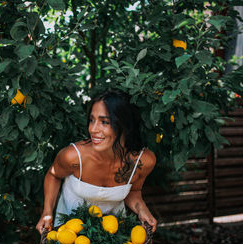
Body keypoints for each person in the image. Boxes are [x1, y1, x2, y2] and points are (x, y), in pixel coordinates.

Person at [36, 90, 157, 234]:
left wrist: (142, 209)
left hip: (112, 238)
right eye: (92, 120)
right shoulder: (73, 156)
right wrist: (47, 212)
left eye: (104, 122)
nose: (93, 129)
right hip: (68, 235)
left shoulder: (143, 161)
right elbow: (53, 175)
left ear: (124, 124)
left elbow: (134, 191)